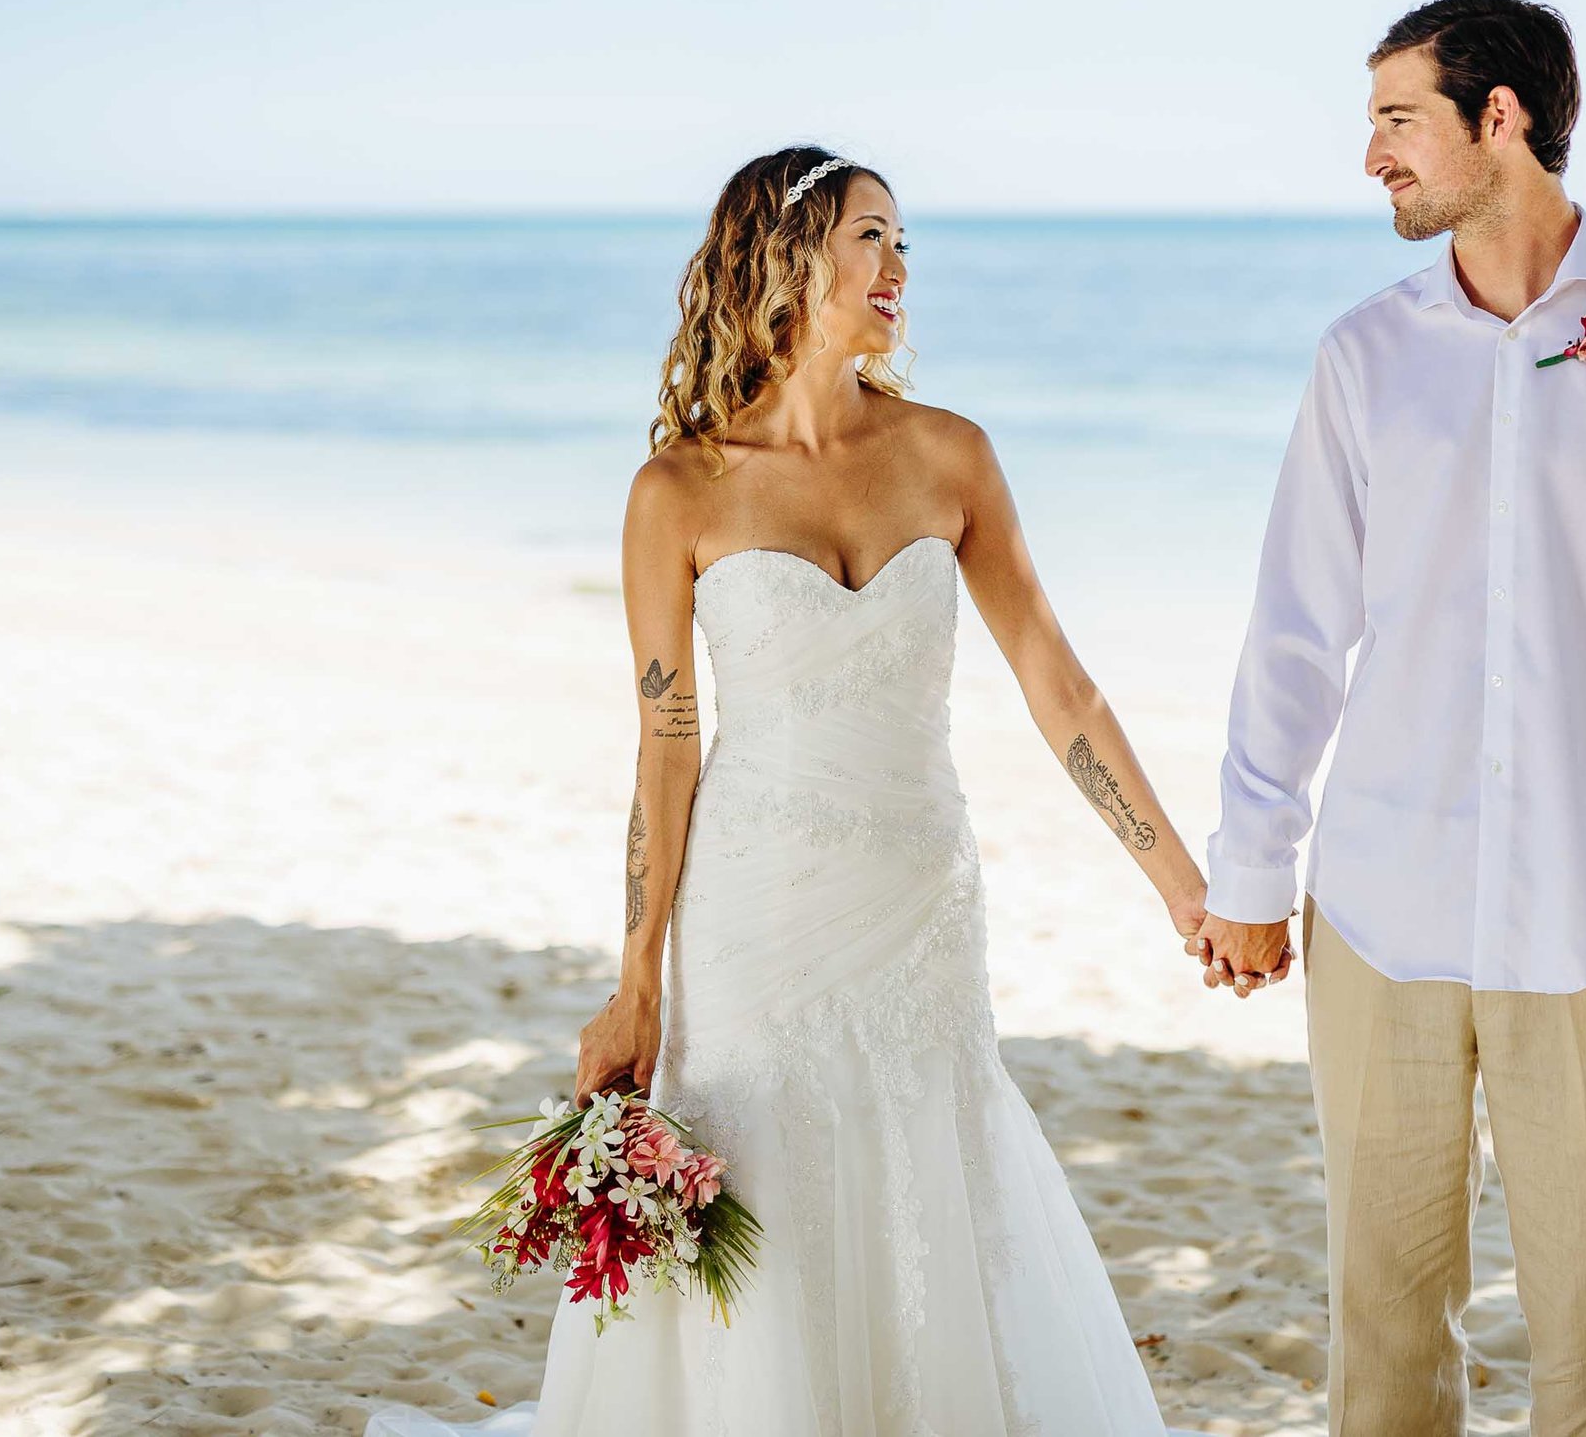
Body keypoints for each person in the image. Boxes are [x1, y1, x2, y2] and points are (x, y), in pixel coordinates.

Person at [370, 145, 1249, 1437]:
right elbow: (665, 742)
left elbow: (1062, 689)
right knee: (768, 1183)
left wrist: (1186, 889)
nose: (898, 270)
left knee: (929, 1176)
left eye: (903, 244)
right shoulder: (680, 489)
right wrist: (636, 980)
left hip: (918, 894)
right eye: (870, 238)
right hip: (754, 909)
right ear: (786, 260)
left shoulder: (951, 456)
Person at [1198, 0, 1586, 1437]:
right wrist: (1252, 868)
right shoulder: (1363, 357)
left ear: (1500, 119)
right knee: (1384, 1334)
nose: (1372, 158)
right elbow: (1295, 630)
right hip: (1382, 911)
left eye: (1399, 120)